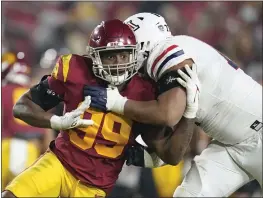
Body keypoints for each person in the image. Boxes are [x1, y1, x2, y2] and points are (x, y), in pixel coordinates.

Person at [2, 19, 199, 197]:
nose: (118, 64)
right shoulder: (75, 71)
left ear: (135, 55)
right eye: (110, 57)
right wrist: (56, 121)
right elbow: (22, 106)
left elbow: (171, 155)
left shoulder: (144, 93)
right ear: (94, 57)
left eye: (123, 56)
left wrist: (190, 112)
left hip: (94, 186)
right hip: (59, 164)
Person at [86, 13, 262, 197]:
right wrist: (157, 156)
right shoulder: (155, 77)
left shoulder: (167, 50)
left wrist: (117, 103)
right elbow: (173, 155)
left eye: (127, 49)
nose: (122, 58)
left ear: (145, 42)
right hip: (230, 145)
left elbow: (168, 114)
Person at [1, 52, 54, 189]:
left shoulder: (3, 91)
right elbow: (47, 135)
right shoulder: (37, 96)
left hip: (6, 147)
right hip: (31, 150)